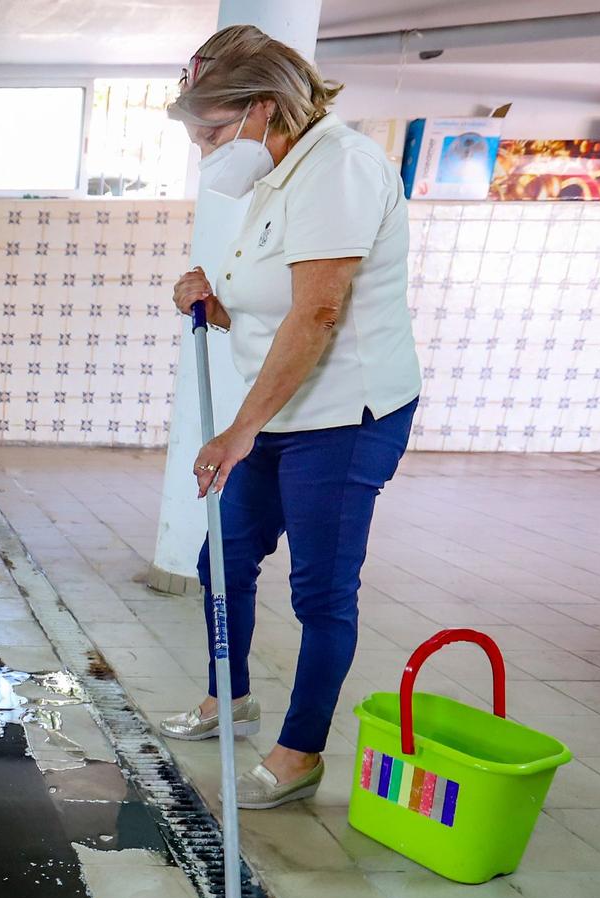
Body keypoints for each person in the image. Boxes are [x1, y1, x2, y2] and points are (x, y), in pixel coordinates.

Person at [161, 25, 422, 808]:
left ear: (263, 108)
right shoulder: (283, 171)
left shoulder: (338, 167)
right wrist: (215, 296)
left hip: (345, 416)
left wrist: (237, 430)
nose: (207, 149)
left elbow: (317, 315)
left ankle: (299, 752)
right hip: (278, 410)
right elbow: (274, 305)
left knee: (321, 591)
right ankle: (228, 696)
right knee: (225, 560)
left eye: (212, 130)